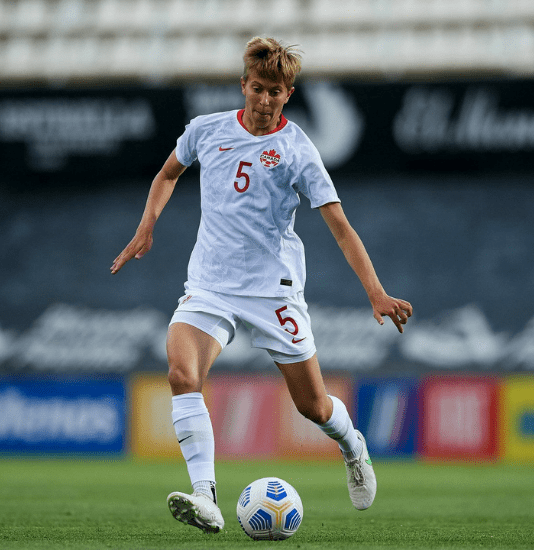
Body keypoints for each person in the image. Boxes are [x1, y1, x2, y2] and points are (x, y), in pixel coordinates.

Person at [111, 36, 412, 534]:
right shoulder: (205, 131)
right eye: (257, 89)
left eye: (276, 91)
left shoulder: (297, 149)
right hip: (210, 285)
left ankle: (353, 445)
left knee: (311, 406)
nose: (265, 100)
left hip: (274, 291)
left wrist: (375, 291)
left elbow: (339, 225)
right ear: (243, 86)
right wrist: (148, 226)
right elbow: (167, 174)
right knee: (182, 376)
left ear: (288, 94)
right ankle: (205, 496)